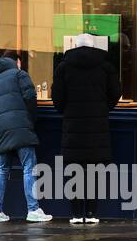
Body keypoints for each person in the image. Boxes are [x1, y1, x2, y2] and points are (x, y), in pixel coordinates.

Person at [52, 40, 121, 225]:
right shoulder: (105, 66)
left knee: (74, 171)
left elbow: (57, 99)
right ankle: (91, 213)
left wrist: (67, 110)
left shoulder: (63, 67)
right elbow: (116, 93)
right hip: (97, 127)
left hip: (72, 128)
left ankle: (75, 214)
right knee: (94, 172)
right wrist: (103, 108)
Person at [0, 53, 51, 223]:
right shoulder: (19, 74)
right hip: (20, 127)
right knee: (29, 167)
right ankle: (33, 209)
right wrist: (30, 120)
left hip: (0, 131)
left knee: (2, 170)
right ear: (16, 62)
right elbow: (30, 98)